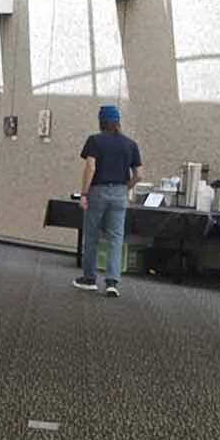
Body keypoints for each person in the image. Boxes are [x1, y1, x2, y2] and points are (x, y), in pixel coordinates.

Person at [74, 104, 142, 297]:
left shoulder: (94, 141)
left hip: (98, 192)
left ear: (101, 122)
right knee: (115, 238)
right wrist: (125, 188)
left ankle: (89, 279)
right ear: (118, 122)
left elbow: (90, 168)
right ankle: (112, 282)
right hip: (120, 193)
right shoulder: (130, 144)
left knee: (92, 235)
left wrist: (84, 194)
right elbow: (139, 174)